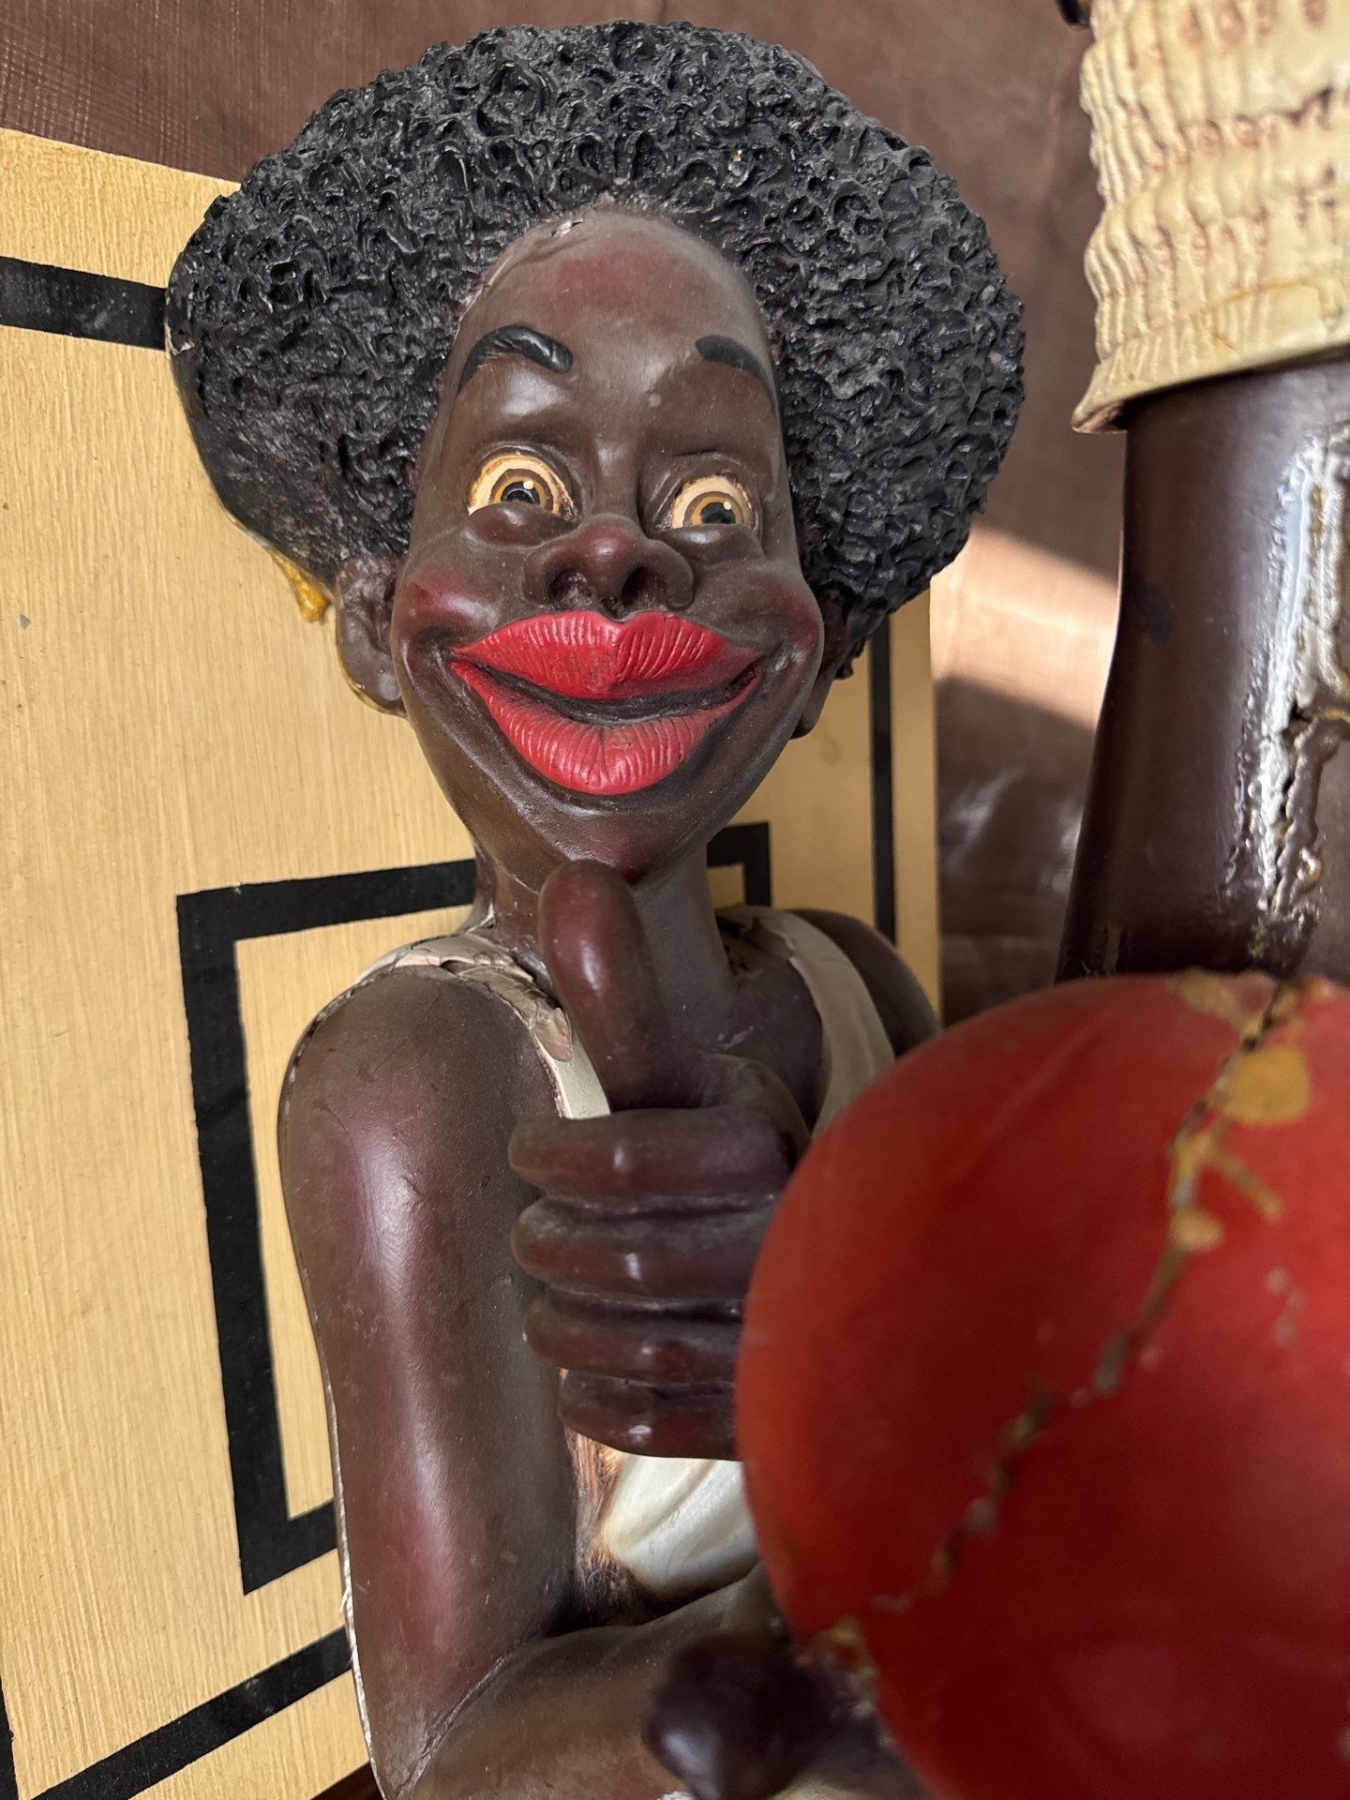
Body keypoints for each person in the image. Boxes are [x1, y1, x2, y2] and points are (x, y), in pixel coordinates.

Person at [167, 23, 1021, 1797]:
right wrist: (881, 1620)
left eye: (711, 499)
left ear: (820, 652)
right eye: (521, 491)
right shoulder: (421, 1076)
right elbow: (457, 1747)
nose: (615, 554)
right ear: (377, 621)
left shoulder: (853, 986)